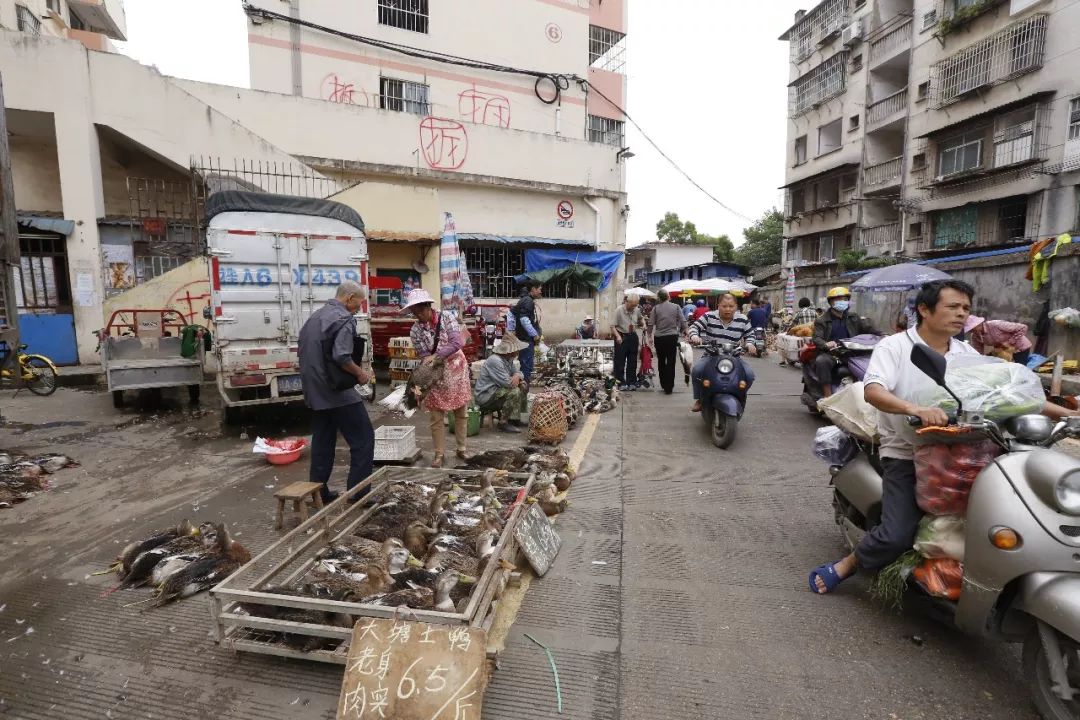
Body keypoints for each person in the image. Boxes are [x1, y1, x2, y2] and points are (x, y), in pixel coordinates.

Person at [809, 280, 1078, 594]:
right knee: (897, 533)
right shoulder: (894, 347)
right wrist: (915, 408)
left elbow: (1012, 396)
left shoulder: (967, 353)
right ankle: (846, 566)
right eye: (953, 307)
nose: (961, 314)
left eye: (966, 308)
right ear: (924, 309)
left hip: (963, 450)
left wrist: (1071, 416)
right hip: (906, 450)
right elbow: (874, 391)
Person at [298, 281, 375, 504]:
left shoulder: (315, 317)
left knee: (323, 442)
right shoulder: (343, 319)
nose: (360, 308)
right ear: (349, 298)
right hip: (336, 392)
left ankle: (319, 494)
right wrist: (360, 374)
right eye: (359, 303)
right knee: (363, 439)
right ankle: (359, 494)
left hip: (315, 392)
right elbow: (342, 356)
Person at [403, 289, 473, 468]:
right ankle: (439, 453)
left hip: (456, 369)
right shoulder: (415, 330)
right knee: (436, 416)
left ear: (428, 307)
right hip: (435, 374)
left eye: (420, 310)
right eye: (415, 312)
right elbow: (424, 354)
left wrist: (437, 355)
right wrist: (431, 360)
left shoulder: (447, 318)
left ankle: (461, 448)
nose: (418, 315)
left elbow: (456, 343)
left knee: (461, 412)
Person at [687, 293, 755, 412]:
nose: (727, 309)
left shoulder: (743, 319)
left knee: (749, 375)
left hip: (734, 357)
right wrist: (694, 336)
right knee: (697, 370)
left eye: (731, 306)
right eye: (724, 306)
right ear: (718, 306)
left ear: (736, 306)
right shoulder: (708, 316)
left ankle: (739, 396)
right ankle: (700, 399)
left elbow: (750, 335)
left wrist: (750, 344)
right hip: (711, 355)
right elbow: (694, 327)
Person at [811, 286, 879, 399]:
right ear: (831, 302)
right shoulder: (822, 320)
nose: (841, 302)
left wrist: (883, 335)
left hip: (852, 352)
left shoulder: (854, 317)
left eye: (844, 299)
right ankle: (827, 398)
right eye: (837, 299)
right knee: (822, 361)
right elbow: (817, 337)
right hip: (833, 354)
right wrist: (825, 344)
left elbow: (869, 329)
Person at [474, 335, 528, 433]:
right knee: (515, 391)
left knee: (523, 385)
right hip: (486, 396)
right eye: (517, 349)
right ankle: (503, 423)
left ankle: (515, 419)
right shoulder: (495, 361)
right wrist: (517, 378)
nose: (518, 352)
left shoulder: (508, 360)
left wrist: (517, 376)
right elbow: (508, 383)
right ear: (510, 350)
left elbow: (518, 373)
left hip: (497, 391)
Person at [650, 289, 687, 394]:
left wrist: (649, 336)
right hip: (672, 337)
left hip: (659, 338)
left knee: (661, 361)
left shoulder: (655, 308)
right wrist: (687, 332)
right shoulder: (676, 307)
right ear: (668, 296)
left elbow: (651, 323)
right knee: (671, 361)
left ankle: (663, 383)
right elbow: (683, 320)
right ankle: (669, 387)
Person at [964, 315, 1033, 366]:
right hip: (1004, 351)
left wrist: (1009, 342)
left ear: (978, 324)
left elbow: (1023, 327)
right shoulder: (975, 336)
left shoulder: (995, 324)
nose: (971, 331)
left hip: (1020, 347)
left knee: (1019, 368)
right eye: (970, 330)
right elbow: (978, 352)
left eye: (972, 328)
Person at [512, 281, 543, 383]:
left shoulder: (526, 300)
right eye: (539, 289)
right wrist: (534, 335)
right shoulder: (528, 301)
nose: (540, 291)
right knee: (526, 367)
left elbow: (512, 314)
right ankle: (524, 391)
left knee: (525, 365)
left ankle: (524, 390)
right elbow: (524, 319)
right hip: (526, 340)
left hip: (524, 340)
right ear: (533, 289)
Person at [611, 294, 644, 391]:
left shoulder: (636, 310)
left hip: (632, 336)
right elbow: (612, 326)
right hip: (621, 336)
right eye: (632, 305)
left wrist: (644, 324)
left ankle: (631, 382)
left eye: (635, 305)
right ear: (627, 302)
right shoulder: (618, 310)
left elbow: (640, 318)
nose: (634, 307)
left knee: (632, 361)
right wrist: (617, 336)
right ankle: (621, 382)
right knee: (619, 361)